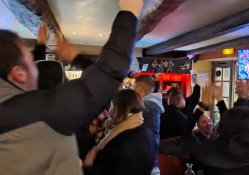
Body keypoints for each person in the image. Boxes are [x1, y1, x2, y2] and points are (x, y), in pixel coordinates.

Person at [0, 0, 143, 174]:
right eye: (30, 60)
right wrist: (129, 14)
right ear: (18, 74)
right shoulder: (36, 111)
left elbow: (38, 79)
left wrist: (40, 47)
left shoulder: (12, 107)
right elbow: (107, 74)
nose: (36, 65)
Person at [92, 89, 155, 175]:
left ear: (121, 108)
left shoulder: (122, 140)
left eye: (112, 106)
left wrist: (87, 166)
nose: (109, 112)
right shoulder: (146, 131)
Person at [133, 75, 165, 175]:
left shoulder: (148, 105)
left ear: (138, 89)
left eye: (133, 88)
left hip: (147, 165)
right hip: (149, 163)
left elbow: (152, 136)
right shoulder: (151, 105)